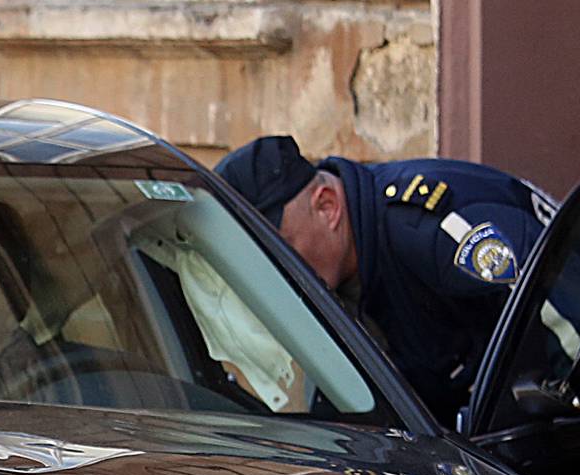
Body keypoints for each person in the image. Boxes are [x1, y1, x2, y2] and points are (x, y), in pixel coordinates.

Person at [214, 133, 556, 416]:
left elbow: (567, 315)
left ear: (327, 206)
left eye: (279, 247)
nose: (273, 267)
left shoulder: (432, 231)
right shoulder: (333, 271)